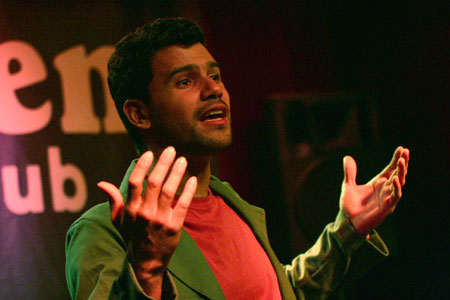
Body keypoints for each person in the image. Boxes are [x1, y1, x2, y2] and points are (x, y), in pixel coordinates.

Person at [65, 18, 410, 300]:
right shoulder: (102, 232)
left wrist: (346, 232)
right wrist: (147, 269)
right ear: (139, 114)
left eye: (214, 76)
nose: (213, 89)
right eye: (185, 81)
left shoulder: (232, 205)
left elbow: (280, 293)